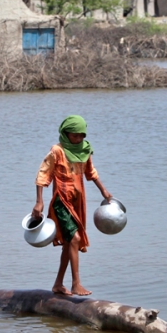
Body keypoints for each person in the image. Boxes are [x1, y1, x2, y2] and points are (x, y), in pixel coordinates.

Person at [32, 115, 112, 296]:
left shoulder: (85, 149)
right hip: (62, 200)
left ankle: (58, 284)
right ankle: (76, 284)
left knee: (69, 244)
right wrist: (39, 201)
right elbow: (43, 174)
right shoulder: (57, 151)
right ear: (65, 133)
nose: (79, 139)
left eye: (81, 136)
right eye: (75, 136)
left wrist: (104, 191)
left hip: (78, 201)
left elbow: (91, 173)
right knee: (74, 239)